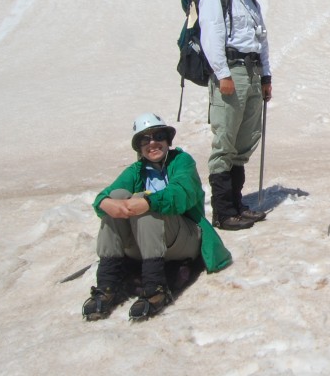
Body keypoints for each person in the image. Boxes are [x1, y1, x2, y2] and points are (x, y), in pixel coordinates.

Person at [82, 113, 232, 321]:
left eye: (158, 136)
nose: (152, 143)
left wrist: (148, 202)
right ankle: (107, 285)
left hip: (184, 239)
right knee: (115, 198)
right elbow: (107, 195)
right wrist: (104, 203)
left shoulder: (182, 161)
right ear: (139, 147)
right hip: (145, 242)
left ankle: (155, 288)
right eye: (145, 139)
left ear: (167, 140)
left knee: (147, 202)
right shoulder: (136, 171)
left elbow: (182, 194)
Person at [199, 0, 273, 230]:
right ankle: (223, 211)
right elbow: (212, 37)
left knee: (244, 140)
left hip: (253, 73)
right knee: (225, 140)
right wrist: (222, 75)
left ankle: (237, 204)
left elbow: (261, 41)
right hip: (232, 72)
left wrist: (266, 77)